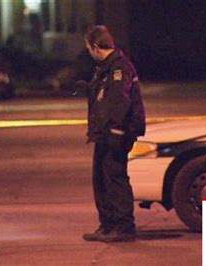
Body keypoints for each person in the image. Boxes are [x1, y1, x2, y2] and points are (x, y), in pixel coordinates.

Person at [81, 25, 146, 242]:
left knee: (115, 178)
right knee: (100, 179)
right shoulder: (105, 68)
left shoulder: (119, 68)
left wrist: (116, 130)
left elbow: (119, 101)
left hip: (116, 133)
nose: (89, 53)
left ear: (96, 47)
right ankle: (107, 225)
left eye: (89, 48)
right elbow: (104, 99)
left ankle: (124, 227)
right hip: (104, 132)